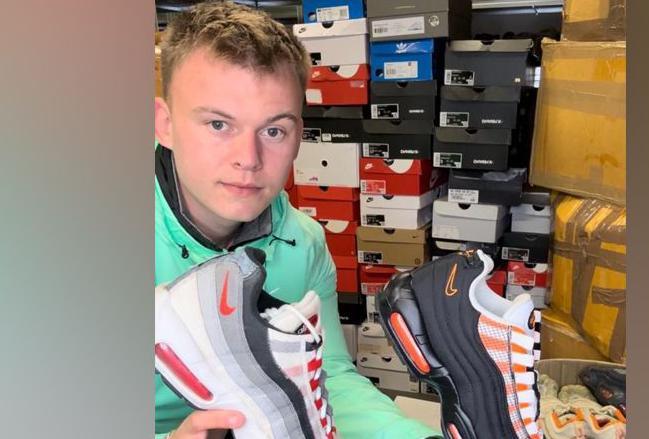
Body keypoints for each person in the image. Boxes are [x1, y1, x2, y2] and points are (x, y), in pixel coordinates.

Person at [153, 2, 440, 438]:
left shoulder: (303, 243)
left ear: (298, 136)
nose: (248, 160)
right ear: (165, 124)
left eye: (273, 131)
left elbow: (329, 380)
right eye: (218, 124)